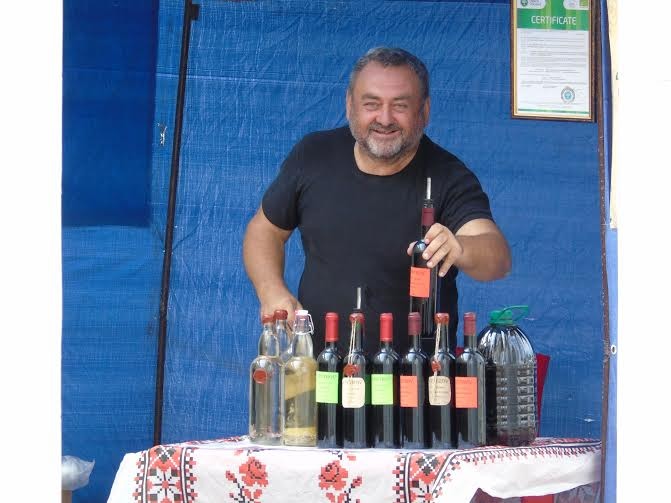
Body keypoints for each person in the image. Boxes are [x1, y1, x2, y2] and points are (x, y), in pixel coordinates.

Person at [243, 47, 511, 357]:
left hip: (417, 374)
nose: (384, 119)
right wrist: (271, 291)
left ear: (424, 111)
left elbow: (497, 258)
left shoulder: (449, 176)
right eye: (371, 104)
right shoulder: (313, 155)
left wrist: (461, 248)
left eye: (400, 106)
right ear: (350, 106)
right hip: (319, 368)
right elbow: (265, 230)